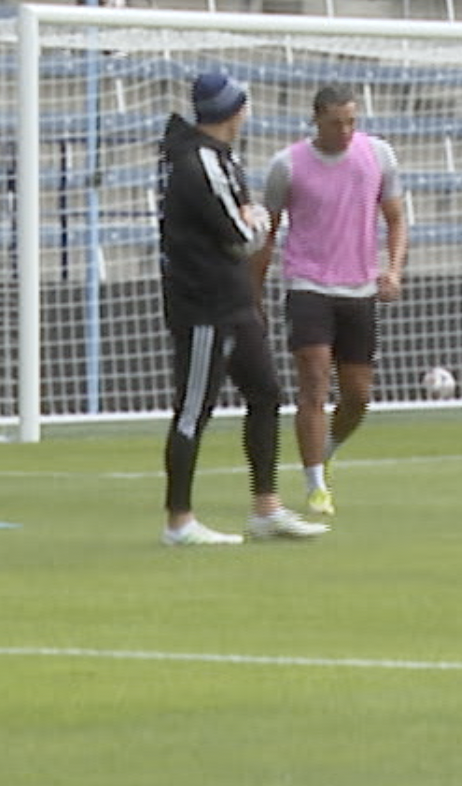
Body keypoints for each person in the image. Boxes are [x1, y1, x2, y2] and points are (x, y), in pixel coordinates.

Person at [157, 69, 324, 547]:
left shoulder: (220, 158)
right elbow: (241, 232)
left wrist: (251, 220)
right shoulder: (198, 162)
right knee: (193, 410)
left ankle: (265, 507)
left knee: (266, 393)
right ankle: (179, 521)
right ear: (236, 110)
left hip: (233, 298)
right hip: (205, 304)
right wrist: (261, 221)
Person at [257, 83, 409, 519]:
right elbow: (267, 234)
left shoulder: (378, 155)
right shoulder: (287, 165)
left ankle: (324, 450)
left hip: (359, 289)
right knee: (314, 384)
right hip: (308, 286)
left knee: (358, 396)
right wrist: (254, 293)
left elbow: (396, 218)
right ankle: (315, 485)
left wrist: (393, 269)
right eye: (336, 123)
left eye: (351, 122)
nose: (345, 131)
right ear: (316, 120)